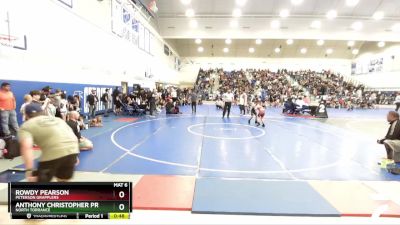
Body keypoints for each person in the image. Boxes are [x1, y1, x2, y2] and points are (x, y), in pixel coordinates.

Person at [18, 103, 80, 182]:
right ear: (42, 112)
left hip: (53, 153)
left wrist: (29, 170)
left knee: (36, 181)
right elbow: (72, 136)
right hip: (72, 151)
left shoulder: (26, 126)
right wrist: (75, 156)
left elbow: (26, 148)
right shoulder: (57, 120)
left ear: (26, 115)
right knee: (63, 180)